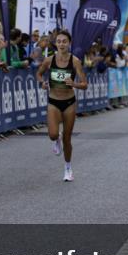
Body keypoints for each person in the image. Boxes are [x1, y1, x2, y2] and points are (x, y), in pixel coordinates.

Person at [36, 30, 88, 182]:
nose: (61, 44)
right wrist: (42, 83)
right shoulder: (49, 60)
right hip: (53, 100)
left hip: (69, 102)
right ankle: (56, 139)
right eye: (58, 41)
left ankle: (67, 168)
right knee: (53, 134)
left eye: (64, 41)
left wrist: (75, 84)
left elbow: (85, 84)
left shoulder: (75, 61)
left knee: (67, 138)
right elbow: (38, 74)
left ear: (69, 43)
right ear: (55, 43)